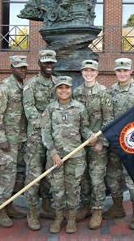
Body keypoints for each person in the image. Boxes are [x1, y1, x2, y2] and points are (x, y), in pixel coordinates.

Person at [41, 76, 94, 234]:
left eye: (67, 87)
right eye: (60, 88)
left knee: (73, 188)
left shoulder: (79, 108)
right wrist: (53, 152)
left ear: (71, 89)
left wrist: (91, 136)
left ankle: (71, 218)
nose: (64, 91)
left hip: (75, 155)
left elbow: (84, 129)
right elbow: (45, 133)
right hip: (56, 157)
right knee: (57, 189)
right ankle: (58, 218)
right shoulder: (50, 109)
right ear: (56, 90)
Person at [104, 58, 134, 230]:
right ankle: (117, 207)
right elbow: (107, 116)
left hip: (132, 144)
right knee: (113, 176)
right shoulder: (110, 91)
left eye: (125, 70)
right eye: (119, 70)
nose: (122, 73)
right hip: (115, 143)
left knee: (133, 177)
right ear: (115, 72)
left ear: (131, 71)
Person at [73, 60, 113, 229]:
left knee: (97, 178)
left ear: (97, 73)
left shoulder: (104, 92)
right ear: (82, 72)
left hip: (98, 144)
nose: (88, 73)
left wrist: (102, 142)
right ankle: (85, 206)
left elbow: (109, 119)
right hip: (81, 143)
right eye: (86, 70)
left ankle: (97, 210)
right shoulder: (76, 93)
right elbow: (76, 118)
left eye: (92, 71)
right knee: (84, 178)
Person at [0, 55, 29, 228]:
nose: (22, 70)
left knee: (18, 174)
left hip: (21, 139)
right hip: (7, 141)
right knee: (5, 175)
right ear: (11, 68)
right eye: (19, 67)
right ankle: (0, 209)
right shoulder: (4, 87)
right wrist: (1, 138)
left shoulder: (23, 86)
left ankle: (10, 205)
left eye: (24, 67)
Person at [22, 49, 57, 230]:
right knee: (34, 174)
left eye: (51, 62)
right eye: (46, 62)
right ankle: (32, 211)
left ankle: (46, 205)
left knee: (50, 173)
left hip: (53, 138)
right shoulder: (31, 84)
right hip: (36, 137)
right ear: (39, 63)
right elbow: (29, 111)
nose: (49, 66)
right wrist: (48, 123)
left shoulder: (58, 84)